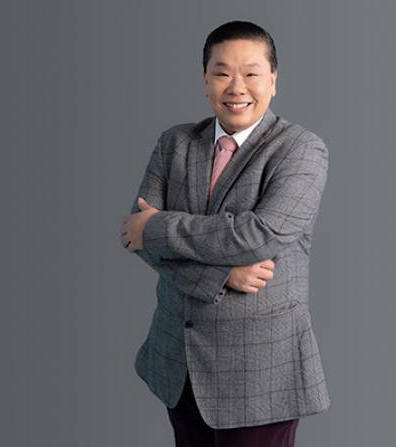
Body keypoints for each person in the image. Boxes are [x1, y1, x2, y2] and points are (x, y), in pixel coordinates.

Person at [120, 20, 331, 447]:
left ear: (273, 80)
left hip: (259, 374)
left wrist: (157, 226)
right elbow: (136, 240)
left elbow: (259, 234)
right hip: (178, 361)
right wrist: (222, 275)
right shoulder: (175, 143)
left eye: (251, 73)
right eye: (222, 73)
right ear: (205, 81)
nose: (237, 87)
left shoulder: (300, 149)